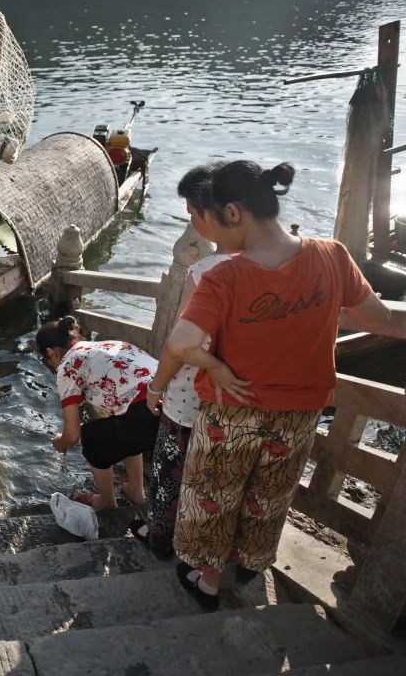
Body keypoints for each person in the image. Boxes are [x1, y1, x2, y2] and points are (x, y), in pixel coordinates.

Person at [148, 160, 394, 611]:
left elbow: (181, 343)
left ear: (234, 212)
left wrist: (217, 369)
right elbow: (383, 319)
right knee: (269, 495)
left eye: (212, 224)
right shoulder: (332, 255)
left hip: (230, 414)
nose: (214, 240)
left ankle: (208, 584)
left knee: (214, 497)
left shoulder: (225, 275)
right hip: (299, 416)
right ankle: (248, 564)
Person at [131, 163, 234, 558]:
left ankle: (160, 538)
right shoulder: (268, 266)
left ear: (214, 214)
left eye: (193, 213)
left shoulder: (206, 271)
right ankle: (203, 548)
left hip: (190, 393)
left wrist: (157, 387)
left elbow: (178, 345)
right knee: (212, 478)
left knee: (171, 470)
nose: (192, 221)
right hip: (232, 398)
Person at [36, 316, 159, 511]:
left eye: (46, 359)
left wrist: (61, 442)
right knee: (120, 419)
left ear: (51, 352)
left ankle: (107, 502)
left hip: (150, 415)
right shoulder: (104, 345)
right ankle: (136, 490)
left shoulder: (68, 365)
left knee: (91, 436)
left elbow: (73, 434)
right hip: (172, 408)